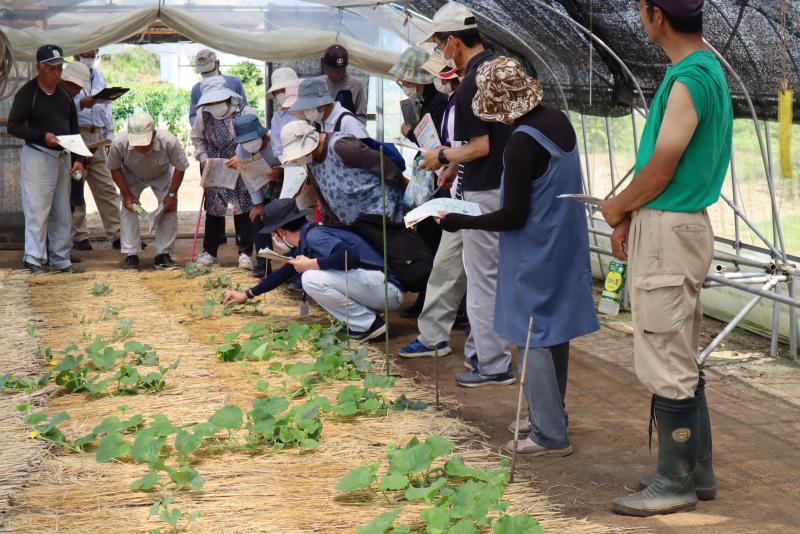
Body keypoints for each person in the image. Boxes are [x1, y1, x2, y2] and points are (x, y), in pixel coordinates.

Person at [600, 0, 731, 517]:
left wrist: (617, 207)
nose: (638, 18)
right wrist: (634, 215)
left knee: (663, 350)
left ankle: (673, 480)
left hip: (670, 227)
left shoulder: (689, 78)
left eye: (640, 9)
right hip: (682, 224)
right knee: (679, 346)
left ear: (657, 14)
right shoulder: (705, 70)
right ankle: (696, 470)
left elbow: (661, 168)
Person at [439, 56, 600, 457]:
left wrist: (461, 221)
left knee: (535, 336)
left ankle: (549, 435)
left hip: (536, 249)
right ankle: (549, 413)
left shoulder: (522, 141)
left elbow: (513, 215)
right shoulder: (557, 121)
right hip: (564, 240)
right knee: (555, 330)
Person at [419, 2, 514, 387]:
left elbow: (479, 146)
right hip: (509, 184)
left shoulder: (473, 81)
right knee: (495, 276)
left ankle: (493, 365)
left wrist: (440, 156)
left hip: (484, 190)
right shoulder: (501, 67)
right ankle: (484, 354)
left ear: (455, 41)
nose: (443, 54)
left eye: (442, 45)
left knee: (482, 281)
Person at [223, 199, 404, 341]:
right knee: (310, 275)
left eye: (272, 233)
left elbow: (348, 256)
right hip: (378, 288)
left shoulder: (315, 235)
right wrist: (246, 294)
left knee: (310, 278)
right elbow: (284, 273)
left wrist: (311, 264)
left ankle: (369, 325)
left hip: (387, 288)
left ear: (281, 231)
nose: (273, 238)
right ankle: (366, 320)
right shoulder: (306, 237)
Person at [399, 62, 472, 359]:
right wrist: (452, 167)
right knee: (447, 265)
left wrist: (444, 158)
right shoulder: (454, 100)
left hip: (477, 199)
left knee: (476, 274)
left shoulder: (466, 99)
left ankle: (488, 354)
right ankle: (435, 337)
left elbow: (478, 146)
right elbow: (465, 147)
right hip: (459, 194)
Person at [7, 44, 85, 274]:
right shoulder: (27, 93)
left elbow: (74, 128)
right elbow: (13, 126)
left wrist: (79, 159)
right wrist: (43, 137)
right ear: (39, 67)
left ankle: (61, 258)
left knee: (62, 209)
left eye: (60, 68)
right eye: (52, 69)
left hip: (63, 155)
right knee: (37, 208)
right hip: (37, 155)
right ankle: (33, 258)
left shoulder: (64, 95)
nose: (57, 73)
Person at [279, 120, 403, 226]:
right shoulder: (310, 162)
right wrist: (320, 224)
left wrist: (405, 187)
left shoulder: (340, 146)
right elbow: (320, 201)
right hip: (353, 225)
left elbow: (384, 166)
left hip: (382, 214)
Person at [107, 112, 188, 270]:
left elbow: (180, 168)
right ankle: (131, 254)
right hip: (131, 175)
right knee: (128, 207)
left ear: (154, 134)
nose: (142, 148)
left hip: (162, 175)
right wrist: (127, 195)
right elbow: (114, 168)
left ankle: (163, 255)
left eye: (145, 142)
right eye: (137, 143)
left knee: (169, 207)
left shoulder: (169, 141)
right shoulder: (119, 143)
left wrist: (171, 195)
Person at [191, 76, 257, 269]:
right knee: (214, 209)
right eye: (210, 102)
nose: (214, 105)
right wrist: (204, 159)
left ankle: (245, 253)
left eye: (217, 101)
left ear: (227, 98)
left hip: (241, 163)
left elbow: (257, 140)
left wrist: (244, 158)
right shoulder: (204, 115)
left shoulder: (244, 112)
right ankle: (210, 252)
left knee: (243, 207)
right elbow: (197, 139)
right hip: (216, 165)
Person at [70, 49, 122, 251]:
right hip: (77, 136)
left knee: (107, 186)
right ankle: (79, 236)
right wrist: (81, 103)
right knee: (76, 185)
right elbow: (64, 106)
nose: (90, 58)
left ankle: (118, 234)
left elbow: (106, 106)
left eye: (94, 54)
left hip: (98, 136)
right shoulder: (69, 75)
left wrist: (110, 135)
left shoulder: (99, 75)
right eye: (87, 53)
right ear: (76, 55)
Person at [230, 114, 283, 278]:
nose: (249, 144)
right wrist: (258, 204)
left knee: (289, 222)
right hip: (265, 188)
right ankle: (263, 265)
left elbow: (295, 166)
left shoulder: (278, 140)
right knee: (257, 218)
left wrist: (280, 172)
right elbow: (248, 177)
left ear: (262, 133)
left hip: (288, 187)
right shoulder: (241, 150)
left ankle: (296, 269)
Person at [290, 77, 369, 139]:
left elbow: (365, 154)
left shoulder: (348, 122)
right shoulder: (320, 122)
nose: (305, 113)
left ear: (321, 106)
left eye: (307, 109)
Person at [189, 49, 248, 126]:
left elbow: (244, 109)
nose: (206, 74)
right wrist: (202, 129)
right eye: (203, 71)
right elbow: (193, 116)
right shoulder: (196, 89)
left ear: (217, 64)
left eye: (208, 70)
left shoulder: (234, 83)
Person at [321, 44, 367, 123]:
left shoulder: (356, 85)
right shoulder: (318, 83)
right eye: (333, 71)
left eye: (340, 71)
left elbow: (361, 117)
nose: (337, 75)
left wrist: (352, 130)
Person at [265, 67, 300, 162]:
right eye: (276, 92)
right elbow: (276, 147)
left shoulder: (308, 110)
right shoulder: (277, 117)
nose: (280, 95)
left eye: (283, 90)